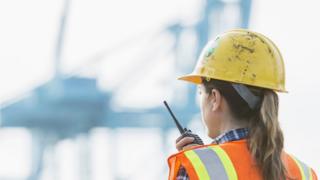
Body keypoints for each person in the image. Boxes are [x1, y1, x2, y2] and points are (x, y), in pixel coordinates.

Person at [167, 29, 318, 180]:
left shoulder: (196, 169)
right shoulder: (305, 174)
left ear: (214, 98)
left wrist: (202, 162)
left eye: (200, 92)